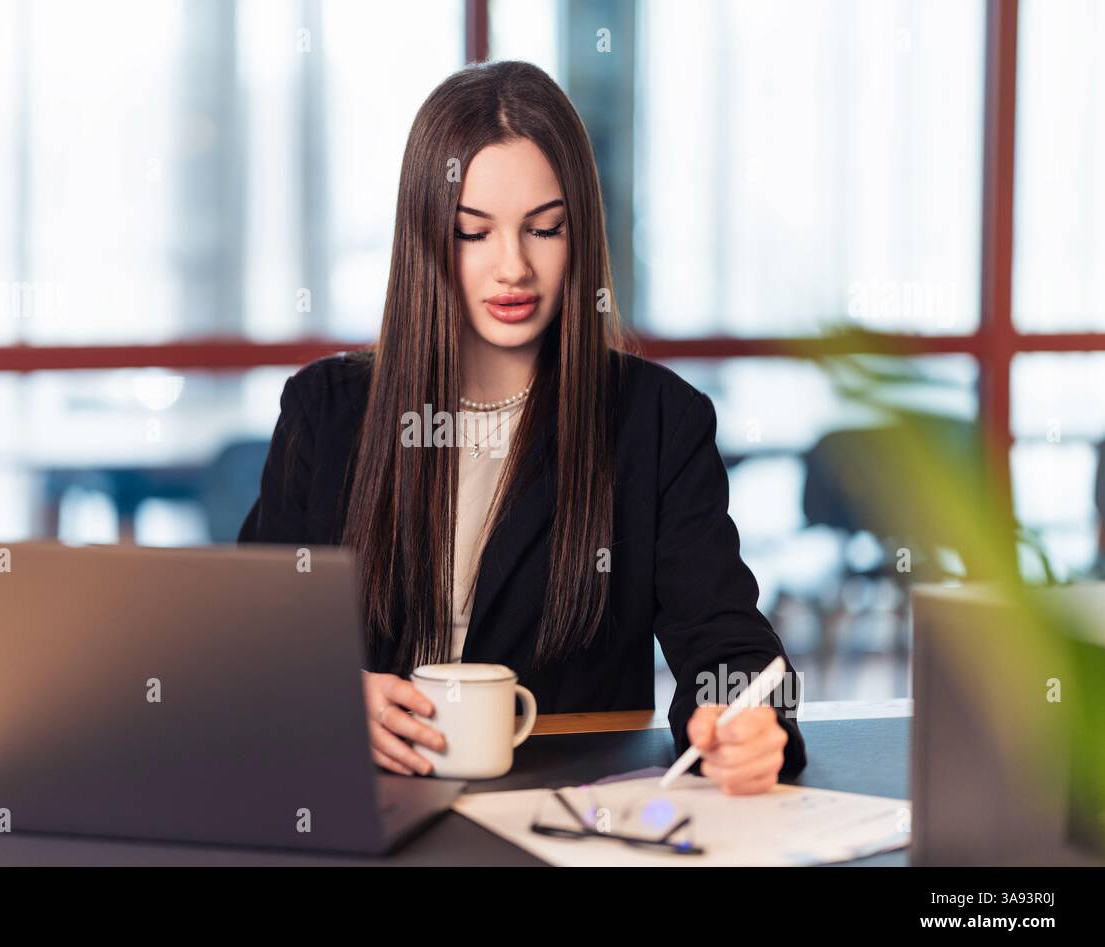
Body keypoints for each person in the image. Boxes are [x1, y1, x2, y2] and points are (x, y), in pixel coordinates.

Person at [240, 61, 806, 795]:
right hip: (358, 812)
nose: (514, 267)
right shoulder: (327, 410)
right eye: (474, 233)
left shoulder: (656, 421)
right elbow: (248, 648)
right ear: (426, 240)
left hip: (561, 820)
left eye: (545, 229)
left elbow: (735, 650)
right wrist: (326, 698)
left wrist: (754, 721)